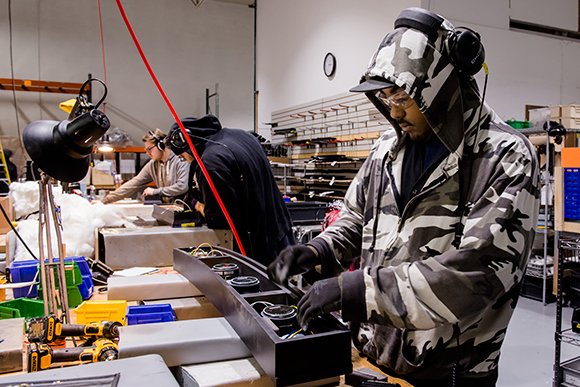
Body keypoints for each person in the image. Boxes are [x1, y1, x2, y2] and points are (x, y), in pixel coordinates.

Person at [267, 7, 540, 387]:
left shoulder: (504, 156)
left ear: (439, 89)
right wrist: (319, 251)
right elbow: (355, 217)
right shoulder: (386, 149)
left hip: (447, 373)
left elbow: (476, 274)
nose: (393, 113)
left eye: (403, 99)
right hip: (373, 356)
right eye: (386, 99)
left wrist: (356, 290)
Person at [165, 114, 294, 266]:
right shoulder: (242, 135)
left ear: (184, 143)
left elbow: (221, 218)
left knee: (260, 286)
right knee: (282, 285)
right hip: (279, 231)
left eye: (181, 156)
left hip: (255, 246)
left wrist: (198, 206)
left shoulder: (212, 160)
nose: (185, 160)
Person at [98, 129, 190, 204]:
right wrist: (105, 201)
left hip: (185, 209)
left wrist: (155, 191)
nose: (147, 153)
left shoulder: (181, 159)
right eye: (146, 150)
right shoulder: (153, 164)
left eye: (149, 149)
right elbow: (133, 184)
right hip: (168, 208)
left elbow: (182, 186)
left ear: (161, 146)